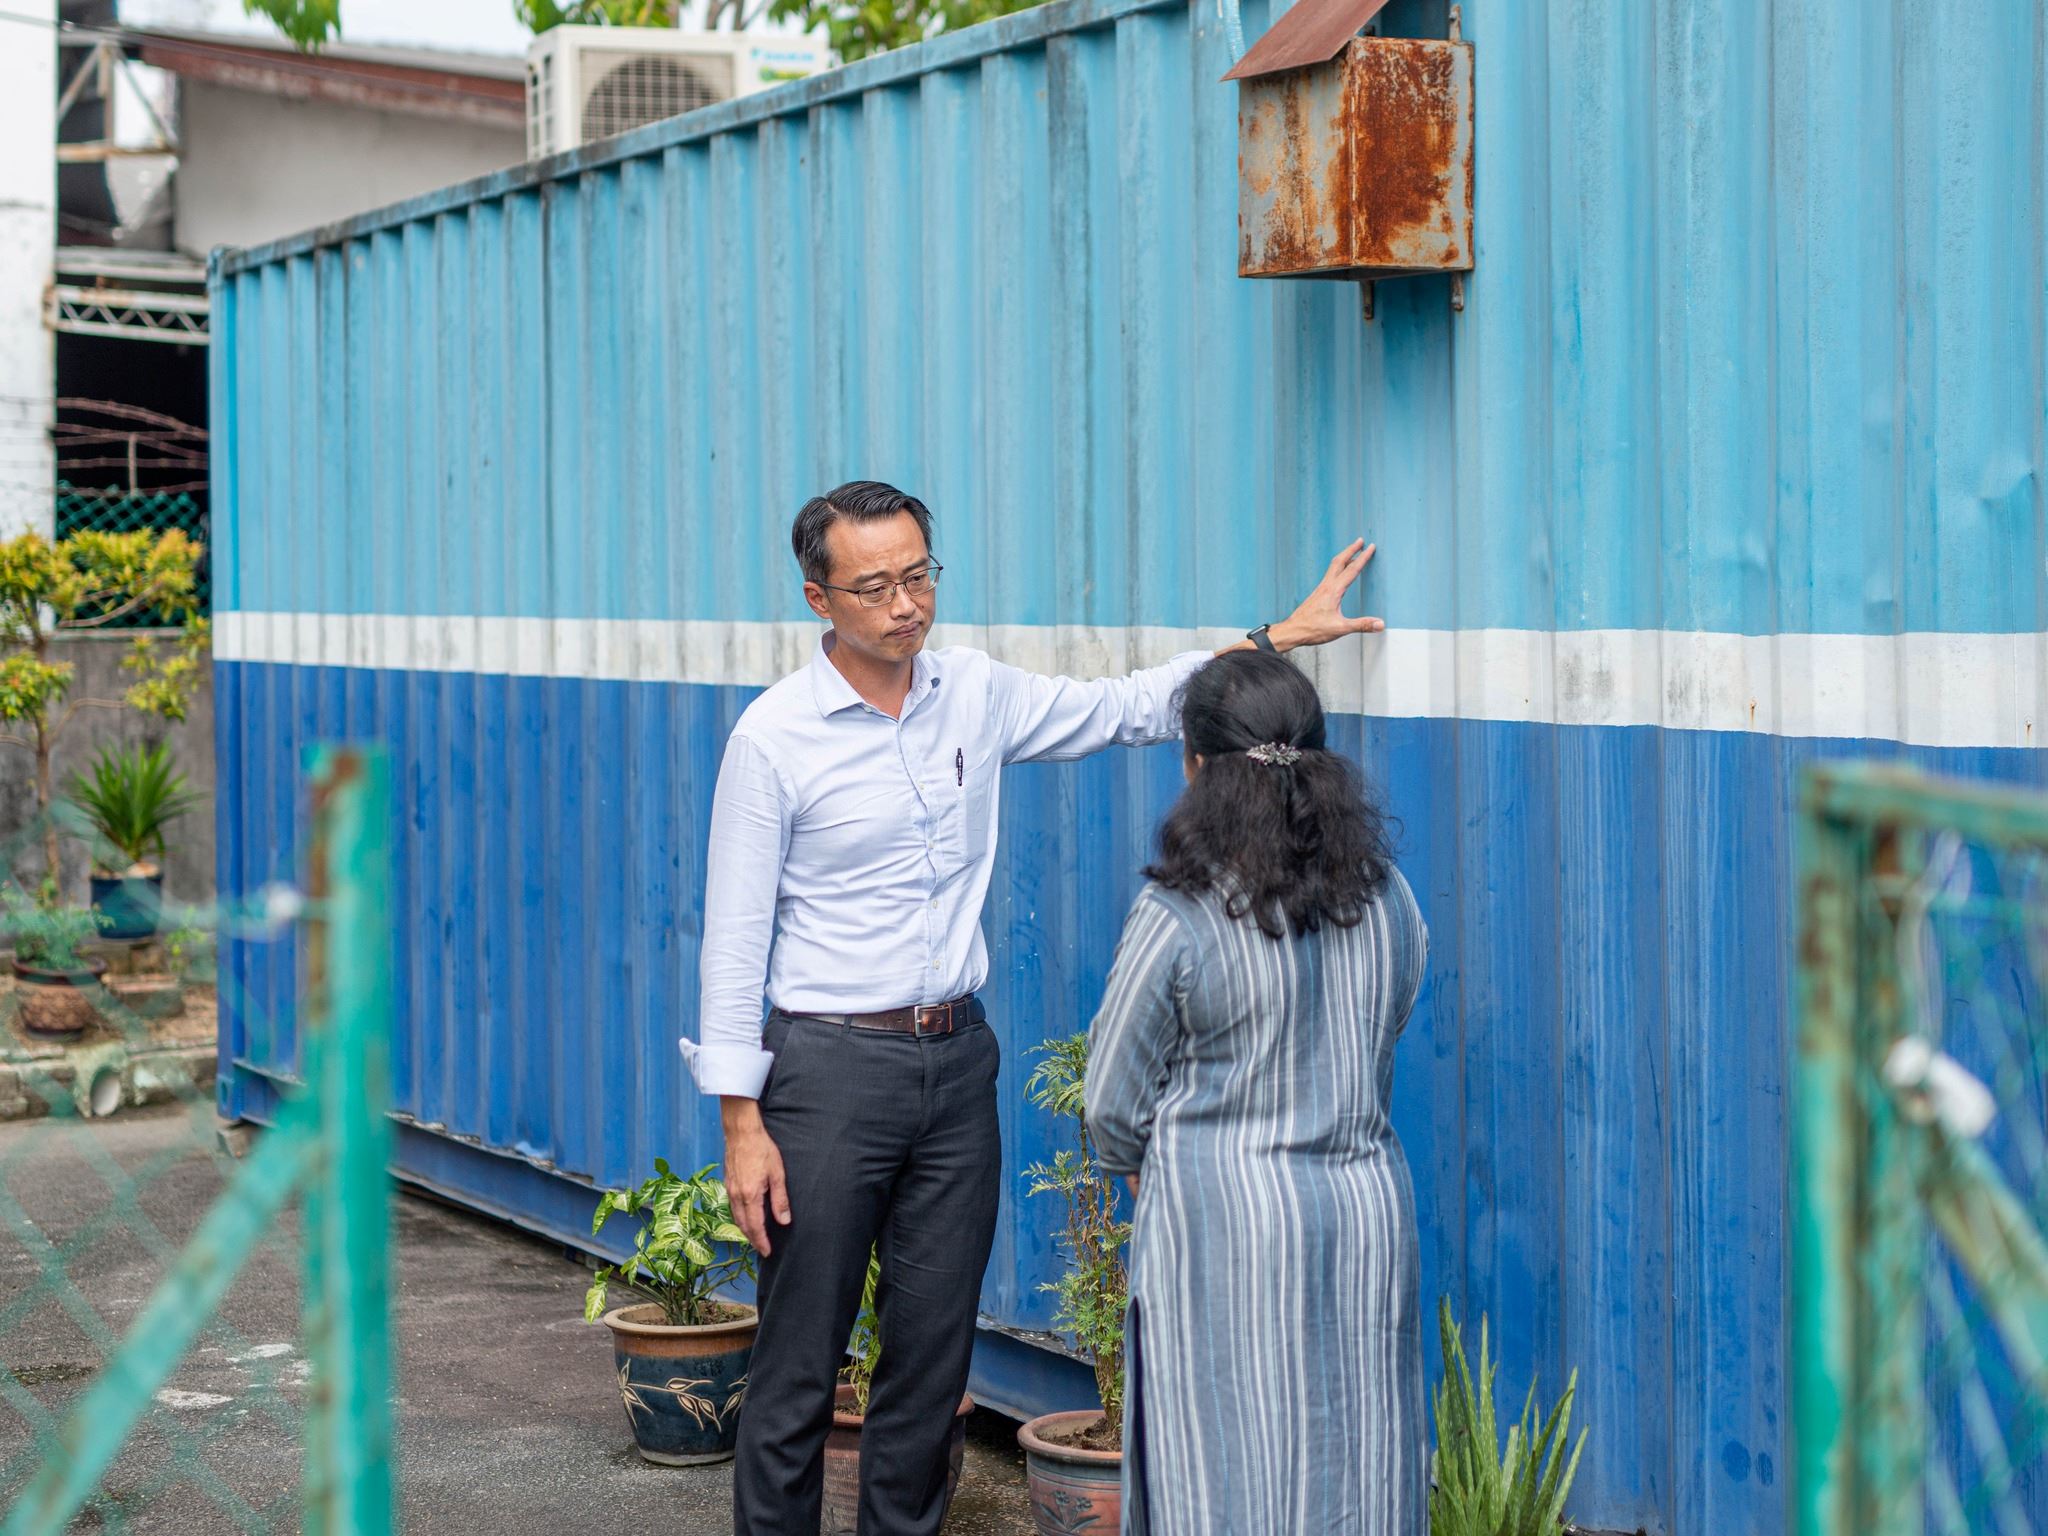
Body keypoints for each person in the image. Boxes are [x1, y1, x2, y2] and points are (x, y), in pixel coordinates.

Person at [686, 480, 1385, 1536]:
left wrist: (1276, 637)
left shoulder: (972, 692)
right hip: (825, 1074)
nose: (904, 605)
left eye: (918, 575)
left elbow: (1129, 706)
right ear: (817, 599)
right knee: (796, 1371)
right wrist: (742, 1124)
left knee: (928, 1370)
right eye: (872, 586)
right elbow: (734, 937)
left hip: (955, 1066)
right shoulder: (773, 737)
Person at [1084, 649, 1429, 1536]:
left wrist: (1140, 1165)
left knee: (1225, 1466)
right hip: (1365, 1219)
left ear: (1195, 766)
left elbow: (1111, 1101)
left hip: (1222, 1228)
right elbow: (1385, 1023)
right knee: (1362, 1457)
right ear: (1319, 758)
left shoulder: (1180, 914)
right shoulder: (1389, 899)